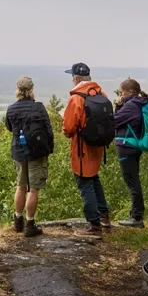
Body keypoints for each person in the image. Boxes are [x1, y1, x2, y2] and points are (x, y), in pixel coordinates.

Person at [61, 62, 112, 236]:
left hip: (82, 147)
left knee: (85, 183)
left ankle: (94, 225)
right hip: (98, 146)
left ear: (76, 78)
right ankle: (104, 215)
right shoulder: (101, 93)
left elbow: (68, 128)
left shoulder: (77, 98)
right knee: (93, 179)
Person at [4, 76, 53, 237]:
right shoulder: (38, 107)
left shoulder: (11, 109)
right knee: (33, 189)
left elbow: (10, 128)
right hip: (36, 153)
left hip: (19, 151)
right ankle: (30, 224)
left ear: (17, 90)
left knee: (21, 186)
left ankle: (17, 222)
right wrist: (48, 149)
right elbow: (48, 129)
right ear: (31, 90)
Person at [114, 78, 148, 228]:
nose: (121, 95)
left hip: (126, 146)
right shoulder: (140, 103)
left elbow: (114, 122)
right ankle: (135, 215)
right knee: (134, 179)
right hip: (135, 145)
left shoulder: (130, 106)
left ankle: (136, 217)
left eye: (122, 92)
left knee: (132, 180)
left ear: (129, 92)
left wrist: (118, 105)